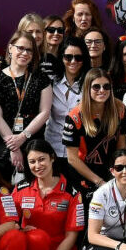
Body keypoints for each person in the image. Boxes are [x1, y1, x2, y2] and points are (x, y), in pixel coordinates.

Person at [10, 139, 84, 250]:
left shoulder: (71, 193)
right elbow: (8, 222)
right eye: (32, 161)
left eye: (42, 159)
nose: (38, 165)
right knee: (37, 238)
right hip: (33, 249)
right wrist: (20, 229)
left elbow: (71, 237)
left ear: (52, 158)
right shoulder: (21, 189)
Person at [0, 32, 53, 174]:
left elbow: (45, 112)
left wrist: (23, 137)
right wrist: (14, 146)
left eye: (29, 50)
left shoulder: (41, 78)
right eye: (20, 48)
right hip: (3, 142)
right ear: (10, 48)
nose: (24, 53)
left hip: (32, 143)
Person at [64, 68, 126, 194]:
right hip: (83, 175)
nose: (102, 90)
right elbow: (72, 159)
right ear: (87, 88)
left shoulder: (120, 108)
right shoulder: (74, 116)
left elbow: (120, 148)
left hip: (110, 173)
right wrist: (99, 182)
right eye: (96, 87)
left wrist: (116, 174)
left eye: (106, 86)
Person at [44, 39, 88, 172]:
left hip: (79, 153)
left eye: (78, 58)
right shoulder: (51, 82)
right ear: (61, 58)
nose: (73, 61)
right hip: (51, 148)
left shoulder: (90, 84)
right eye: (68, 57)